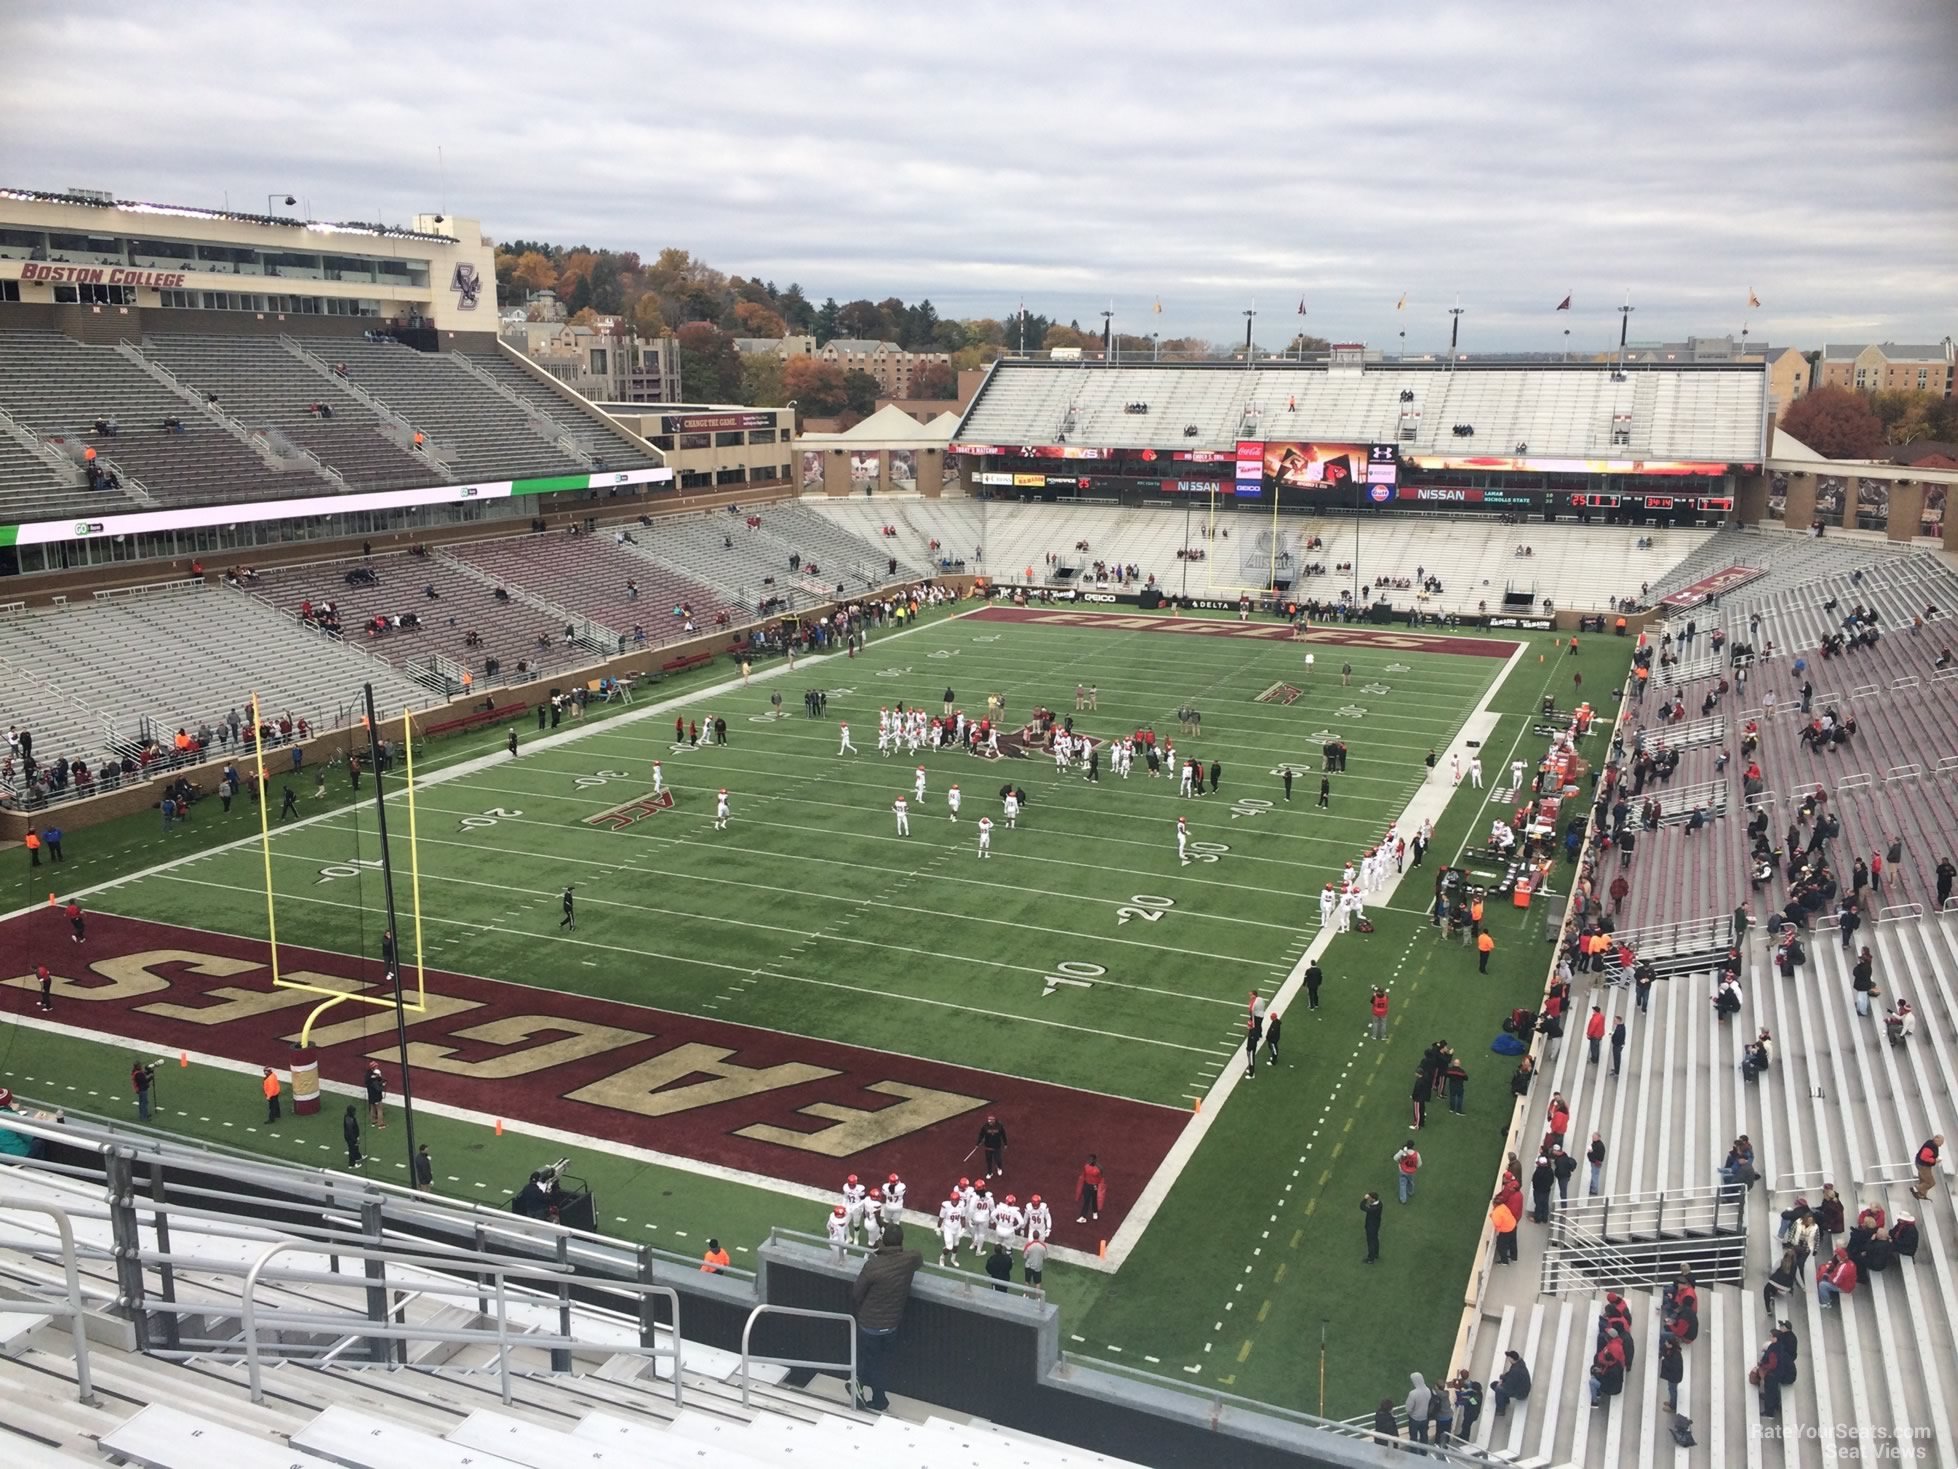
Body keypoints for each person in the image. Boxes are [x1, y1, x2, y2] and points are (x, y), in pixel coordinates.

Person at [851, 1225, 922, 1412]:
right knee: (878, 1362)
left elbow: (857, 1293)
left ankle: (867, 1390)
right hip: (891, 1325)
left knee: (871, 1361)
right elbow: (918, 1257)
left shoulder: (873, 1265)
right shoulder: (909, 1259)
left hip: (870, 1324)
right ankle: (859, 1383)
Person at [1492, 1350, 1531, 1417]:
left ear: (1511, 1359)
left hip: (1521, 1393)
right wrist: (1503, 1377)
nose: (1508, 1359)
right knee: (1497, 1385)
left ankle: (1501, 1410)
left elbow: (1509, 1385)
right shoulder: (1519, 1364)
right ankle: (1505, 1400)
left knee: (1498, 1389)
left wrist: (1501, 1383)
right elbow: (1510, 1375)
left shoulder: (1516, 1371)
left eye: (1508, 1358)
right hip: (1522, 1388)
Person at [1075, 1154, 1105, 1223]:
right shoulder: (1086, 1166)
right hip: (1087, 1185)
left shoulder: (1099, 1168)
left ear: (1094, 1160)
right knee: (1086, 1201)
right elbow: (1084, 1176)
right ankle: (1083, 1216)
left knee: (1094, 1200)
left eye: (1091, 1159)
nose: (1090, 1161)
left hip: (1095, 1186)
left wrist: (1099, 1186)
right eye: (1089, 1159)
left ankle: (1095, 1211)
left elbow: (1101, 1178)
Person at [1912, 1134, 1943, 1200]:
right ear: (1937, 1140)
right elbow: (1923, 1157)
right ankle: (1916, 1188)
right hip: (1923, 1166)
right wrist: (1935, 1160)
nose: (1941, 1145)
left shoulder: (1931, 1143)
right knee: (1930, 1182)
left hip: (1921, 1164)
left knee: (1923, 1180)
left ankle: (1921, 1195)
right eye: (1941, 1143)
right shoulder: (1930, 1147)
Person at [1405, 1373, 1433, 1445]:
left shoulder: (1413, 1393)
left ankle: (1413, 1453)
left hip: (1414, 1419)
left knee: (1413, 1438)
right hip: (1425, 1418)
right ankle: (1424, 1452)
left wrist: (1411, 1413)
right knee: (1424, 1436)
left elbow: (1408, 1409)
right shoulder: (1428, 1390)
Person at [1361, 1191, 1383, 1262]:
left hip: (1371, 1226)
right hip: (1376, 1224)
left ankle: (1371, 1259)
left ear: (1373, 1199)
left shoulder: (1373, 1209)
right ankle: (1376, 1254)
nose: (1368, 1199)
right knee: (1375, 1239)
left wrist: (1364, 1199)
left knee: (1371, 1242)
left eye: (1370, 1198)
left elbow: (1362, 1207)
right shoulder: (1380, 1204)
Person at [365, 1063, 387, 1128]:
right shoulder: (375, 1081)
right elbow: (378, 1089)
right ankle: (380, 1124)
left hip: (371, 1096)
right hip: (377, 1097)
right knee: (379, 1109)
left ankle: (373, 1121)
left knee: (372, 1108)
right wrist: (383, 1085)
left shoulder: (368, 1076)